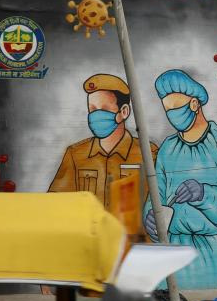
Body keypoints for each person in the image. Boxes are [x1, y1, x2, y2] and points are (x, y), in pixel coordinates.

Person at [143, 69, 217, 288]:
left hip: (216, 257)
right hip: (172, 255)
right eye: (167, 110)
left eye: (175, 107)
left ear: (194, 104)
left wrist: (204, 194)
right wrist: (150, 217)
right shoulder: (167, 149)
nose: (172, 115)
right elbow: (156, 193)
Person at [48, 73, 158, 209]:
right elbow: (57, 203)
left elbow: (161, 202)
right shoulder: (75, 154)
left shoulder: (149, 153)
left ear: (124, 112)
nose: (96, 115)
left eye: (104, 109)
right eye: (92, 109)